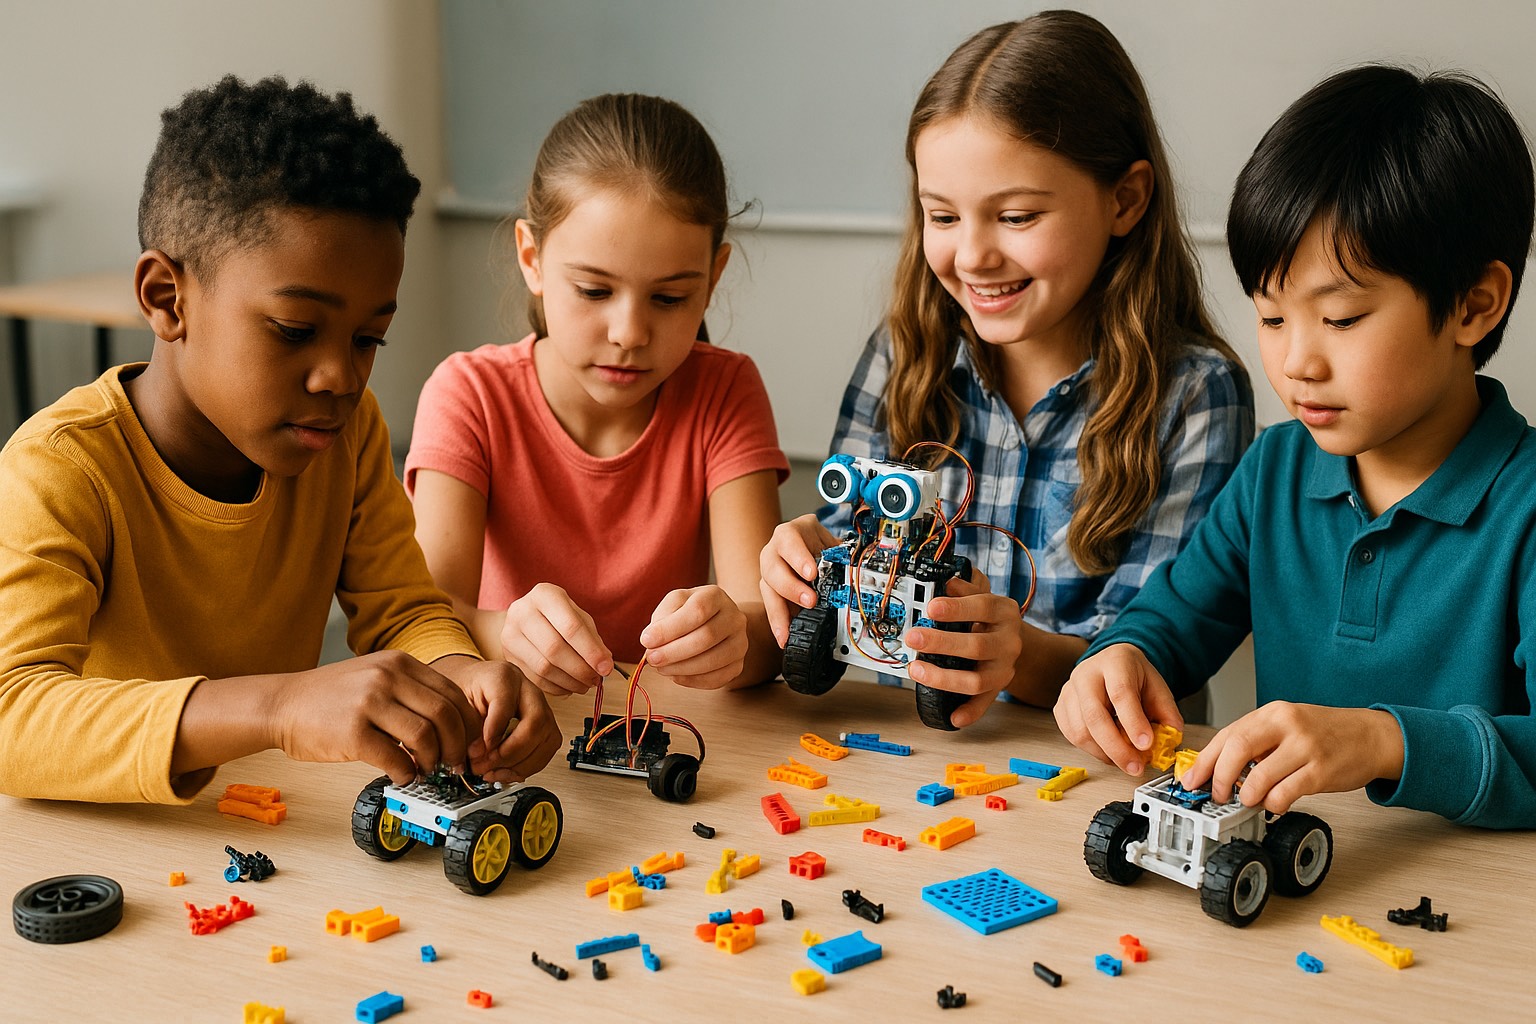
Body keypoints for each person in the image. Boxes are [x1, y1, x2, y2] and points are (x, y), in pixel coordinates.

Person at [0, 75, 559, 804]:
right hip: (103, 857)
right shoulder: (61, 470)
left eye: (369, 340)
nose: (339, 377)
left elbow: (403, 610)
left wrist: (460, 673)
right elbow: (13, 715)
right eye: (295, 331)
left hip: (263, 829)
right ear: (167, 299)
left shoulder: (346, 435)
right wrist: (279, 707)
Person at [1056, 65, 1536, 829]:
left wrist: (1383, 741)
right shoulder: (1273, 473)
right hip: (1289, 890)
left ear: (1475, 304)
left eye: (1341, 319)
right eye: (1272, 318)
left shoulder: (1526, 508)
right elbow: (1168, 623)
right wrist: (1118, 662)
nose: (1295, 363)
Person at [759, 10, 1254, 727]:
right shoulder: (904, 356)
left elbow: (1147, 653)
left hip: (1086, 775)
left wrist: (1014, 653)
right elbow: (850, 574)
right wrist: (808, 573)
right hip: (896, 762)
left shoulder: (1196, 396)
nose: (972, 257)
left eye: (1016, 216)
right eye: (943, 216)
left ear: (1125, 199)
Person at [407, 93, 788, 696]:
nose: (630, 334)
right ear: (532, 258)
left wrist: (734, 636)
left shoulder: (724, 389)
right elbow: (421, 622)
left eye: (668, 299)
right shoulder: (469, 395)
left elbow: (766, 629)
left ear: (713, 279)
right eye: (592, 290)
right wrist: (504, 632)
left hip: (663, 732)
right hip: (516, 733)